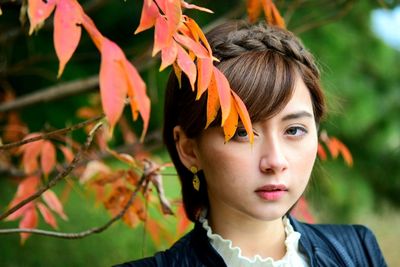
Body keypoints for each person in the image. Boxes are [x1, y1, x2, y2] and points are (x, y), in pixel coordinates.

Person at [116, 20, 387, 267]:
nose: (275, 161)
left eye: (294, 130)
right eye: (241, 132)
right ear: (189, 149)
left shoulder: (356, 251)